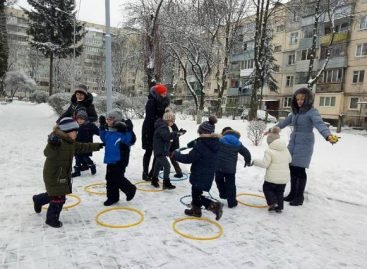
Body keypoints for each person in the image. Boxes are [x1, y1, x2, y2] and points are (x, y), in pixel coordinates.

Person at [271, 87, 338, 206]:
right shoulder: (295, 112)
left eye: (302, 99)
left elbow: (320, 124)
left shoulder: (312, 112)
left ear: (307, 99)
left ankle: (299, 197)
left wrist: (328, 136)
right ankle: (292, 193)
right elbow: (284, 122)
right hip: (293, 143)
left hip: (305, 143)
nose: (300, 101)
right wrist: (273, 129)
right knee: (291, 168)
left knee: (300, 169)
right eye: (297, 99)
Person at [32, 117, 104, 228]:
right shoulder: (57, 142)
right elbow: (47, 153)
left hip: (62, 174)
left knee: (55, 194)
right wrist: (52, 144)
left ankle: (38, 200)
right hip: (54, 175)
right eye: (75, 131)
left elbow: (81, 147)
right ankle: (51, 219)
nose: (76, 134)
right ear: (67, 131)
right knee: (58, 198)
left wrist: (97, 146)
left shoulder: (70, 142)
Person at [172, 116, 224, 220]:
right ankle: (196, 211)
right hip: (208, 173)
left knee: (196, 195)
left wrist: (176, 155)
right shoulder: (214, 142)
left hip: (200, 173)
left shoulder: (202, 145)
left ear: (202, 132)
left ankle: (214, 206)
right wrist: (196, 143)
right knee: (196, 192)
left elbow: (189, 158)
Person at [99, 111, 137, 206]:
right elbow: (103, 138)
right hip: (110, 160)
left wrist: (129, 130)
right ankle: (113, 198)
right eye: (107, 119)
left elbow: (130, 141)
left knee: (117, 178)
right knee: (110, 179)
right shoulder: (109, 131)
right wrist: (102, 127)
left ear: (116, 121)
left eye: (110, 119)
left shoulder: (122, 132)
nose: (107, 121)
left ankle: (130, 189)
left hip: (120, 160)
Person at [253, 127, 292, 213]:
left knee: (267, 189)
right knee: (279, 192)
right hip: (283, 178)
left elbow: (265, 164)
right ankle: (279, 206)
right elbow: (290, 160)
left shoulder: (269, 151)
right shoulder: (285, 149)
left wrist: (255, 162)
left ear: (269, 142)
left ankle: (273, 203)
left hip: (272, 178)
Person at [215, 127, 252, 208]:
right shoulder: (237, 143)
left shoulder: (219, 140)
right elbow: (246, 152)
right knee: (231, 185)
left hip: (219, 167)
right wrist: (247, 161)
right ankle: (232, 203)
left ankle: (223, 194)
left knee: (219, 180)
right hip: (230, 169)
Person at [141, 83, 170, 181]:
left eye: (165, 93)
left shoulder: (164, 102)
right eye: (163, 93)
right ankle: (145, 173)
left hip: (159, 129)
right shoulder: (151, 102)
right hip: (149, 130)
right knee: (148, 151)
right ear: (158, 93)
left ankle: (152, 172)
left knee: (158, 152)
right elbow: (151, 117)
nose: (165, 94)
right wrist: (162, 120)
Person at [151, 109, 185, 190]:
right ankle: (166, 182)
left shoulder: (164, 126)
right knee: (167, 166)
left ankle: (154, 180)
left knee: (158, 166)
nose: (173, 122)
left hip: (160, 150)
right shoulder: (163, 127)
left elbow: (167, 137)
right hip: (160, 150)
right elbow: (166, 136)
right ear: (168, 120)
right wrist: (176, 133)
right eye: (172, 121)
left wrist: (177, 133)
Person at [71, 110, 100, 177]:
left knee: (85, 157)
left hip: (86, 146)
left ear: (85, 119)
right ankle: (77, 172)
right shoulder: (75, 125)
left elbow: (98, 132)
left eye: (82, 119)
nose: (80, 120)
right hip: (77, 145)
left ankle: (92, 165)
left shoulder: (90, 125)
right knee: (77, 158)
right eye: (78, 119)